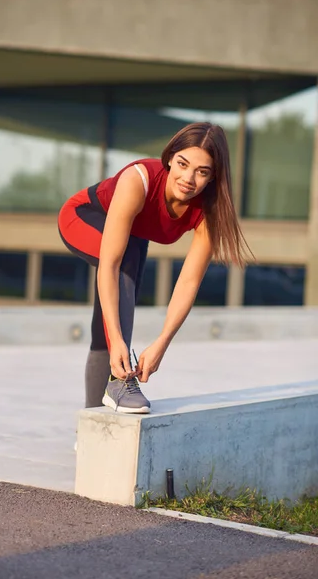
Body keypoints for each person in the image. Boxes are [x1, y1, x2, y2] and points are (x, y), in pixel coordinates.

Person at [58, 122, 252, 414]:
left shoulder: (210, 213)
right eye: (183, 164)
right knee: (123, 277)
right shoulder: (139, 180)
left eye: (202, 172)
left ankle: (92, 422)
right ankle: (120, 380)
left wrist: (162, 342)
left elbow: (188, 282)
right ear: (170, 157)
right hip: (82, 216)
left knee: (110, 321)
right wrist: (119, 342)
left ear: (213, 177)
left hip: (132, 240)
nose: (189, 179)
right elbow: (109, 265)